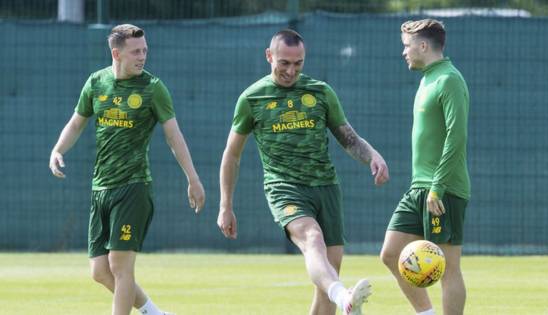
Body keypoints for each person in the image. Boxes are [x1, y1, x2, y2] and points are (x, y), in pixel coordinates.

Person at [218, 29, 389, 315]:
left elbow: (348, 137)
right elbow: (231, 154)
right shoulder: (252, 98)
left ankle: (339, 296)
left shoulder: (320, 92)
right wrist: (225, 205)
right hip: (284, 187)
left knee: (327, 280)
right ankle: (344, 297)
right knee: (312, 238)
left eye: (298, 64)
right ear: (269, 56)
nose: (291, 70)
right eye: (284, 63)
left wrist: (372, 155)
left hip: (326, 187)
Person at [48, 24, 205, 315]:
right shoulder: (96, 83)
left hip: (134, 187)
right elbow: (76, 123)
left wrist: (192, 178)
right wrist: (57, 150)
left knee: (120, 266)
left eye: (145, 50)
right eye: (136, 51)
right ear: (116, 53)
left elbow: (174, 136)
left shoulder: (153, 88)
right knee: (99, 271)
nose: (142, 56)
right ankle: (155, 313)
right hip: (101, 188)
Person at [380, 19, 470, 315]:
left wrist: (437, 188)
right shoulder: (426, 79)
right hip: (419, 186)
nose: (404, 52)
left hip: (442, 190)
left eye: (406, 46)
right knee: (391, 254)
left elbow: (456, 138)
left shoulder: (449, 79)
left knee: (448, 267)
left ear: (422, 46)